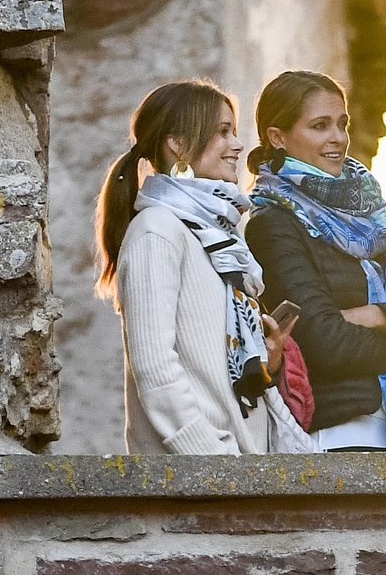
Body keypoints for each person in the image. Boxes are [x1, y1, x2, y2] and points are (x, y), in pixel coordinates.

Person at [245, 71, 386, 452]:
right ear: (277, 137)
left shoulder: (375, 223)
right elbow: (324, 345)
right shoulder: (273, 224)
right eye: (320, 126)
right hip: (341, 436)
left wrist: (380, 315)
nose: (337, 138)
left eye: (342, 124)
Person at [94, 80, 308, 454]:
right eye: (222, 132)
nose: (237, 145)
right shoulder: (157, 231)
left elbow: (214, 368)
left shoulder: (217, 238)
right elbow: (155, 367)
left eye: (234, 132)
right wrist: (211, 457)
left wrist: (266, 359)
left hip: (239, 469)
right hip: (198, 475)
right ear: (177, 145)